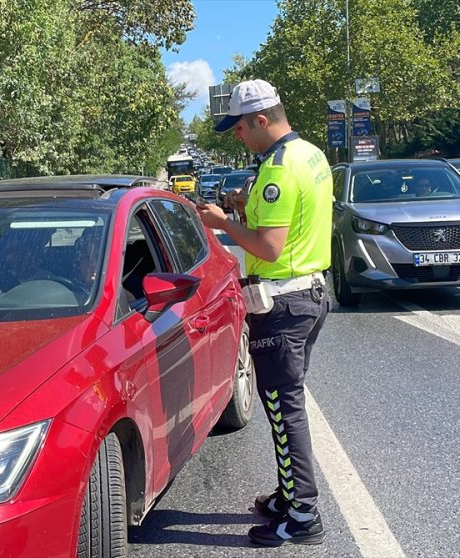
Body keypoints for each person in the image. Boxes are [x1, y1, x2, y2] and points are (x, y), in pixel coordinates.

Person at [195, 79, 332, 546]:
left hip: (283, 303)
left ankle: (303, 516)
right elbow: (290, 228)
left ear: (260, 119)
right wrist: (243, 208)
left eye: (239, 126)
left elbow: (269, 248)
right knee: (285, 403)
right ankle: (289, 494)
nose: (237, 135)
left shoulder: (276, 169)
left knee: (282, 407)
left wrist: (222, 223)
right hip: (309, 294)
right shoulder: (310, 155)